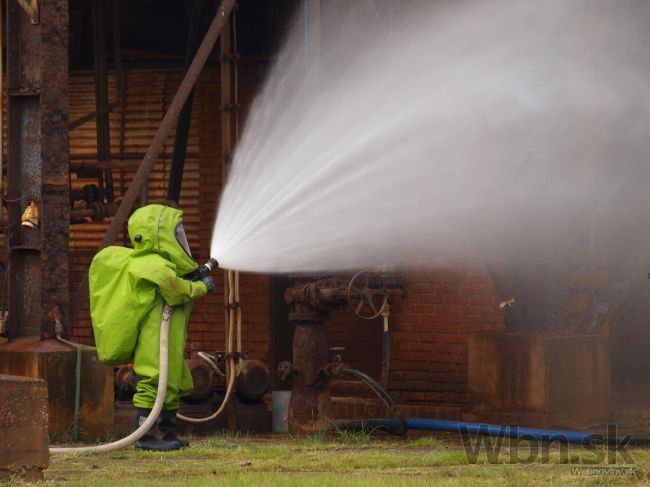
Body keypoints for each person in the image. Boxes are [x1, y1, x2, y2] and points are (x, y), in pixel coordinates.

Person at [89, 204, 215, 451]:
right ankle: (143, 436)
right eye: (176, 234)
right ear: (160, 236)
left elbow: (176, 282)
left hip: (171, 338)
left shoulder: (165, 265)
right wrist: (201, 287)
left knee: (172, 380)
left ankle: (168, 433)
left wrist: (193, 277)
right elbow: (174, 289)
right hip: (155, 338)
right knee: (153, 378)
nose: (182, 239)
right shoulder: (151, 264)